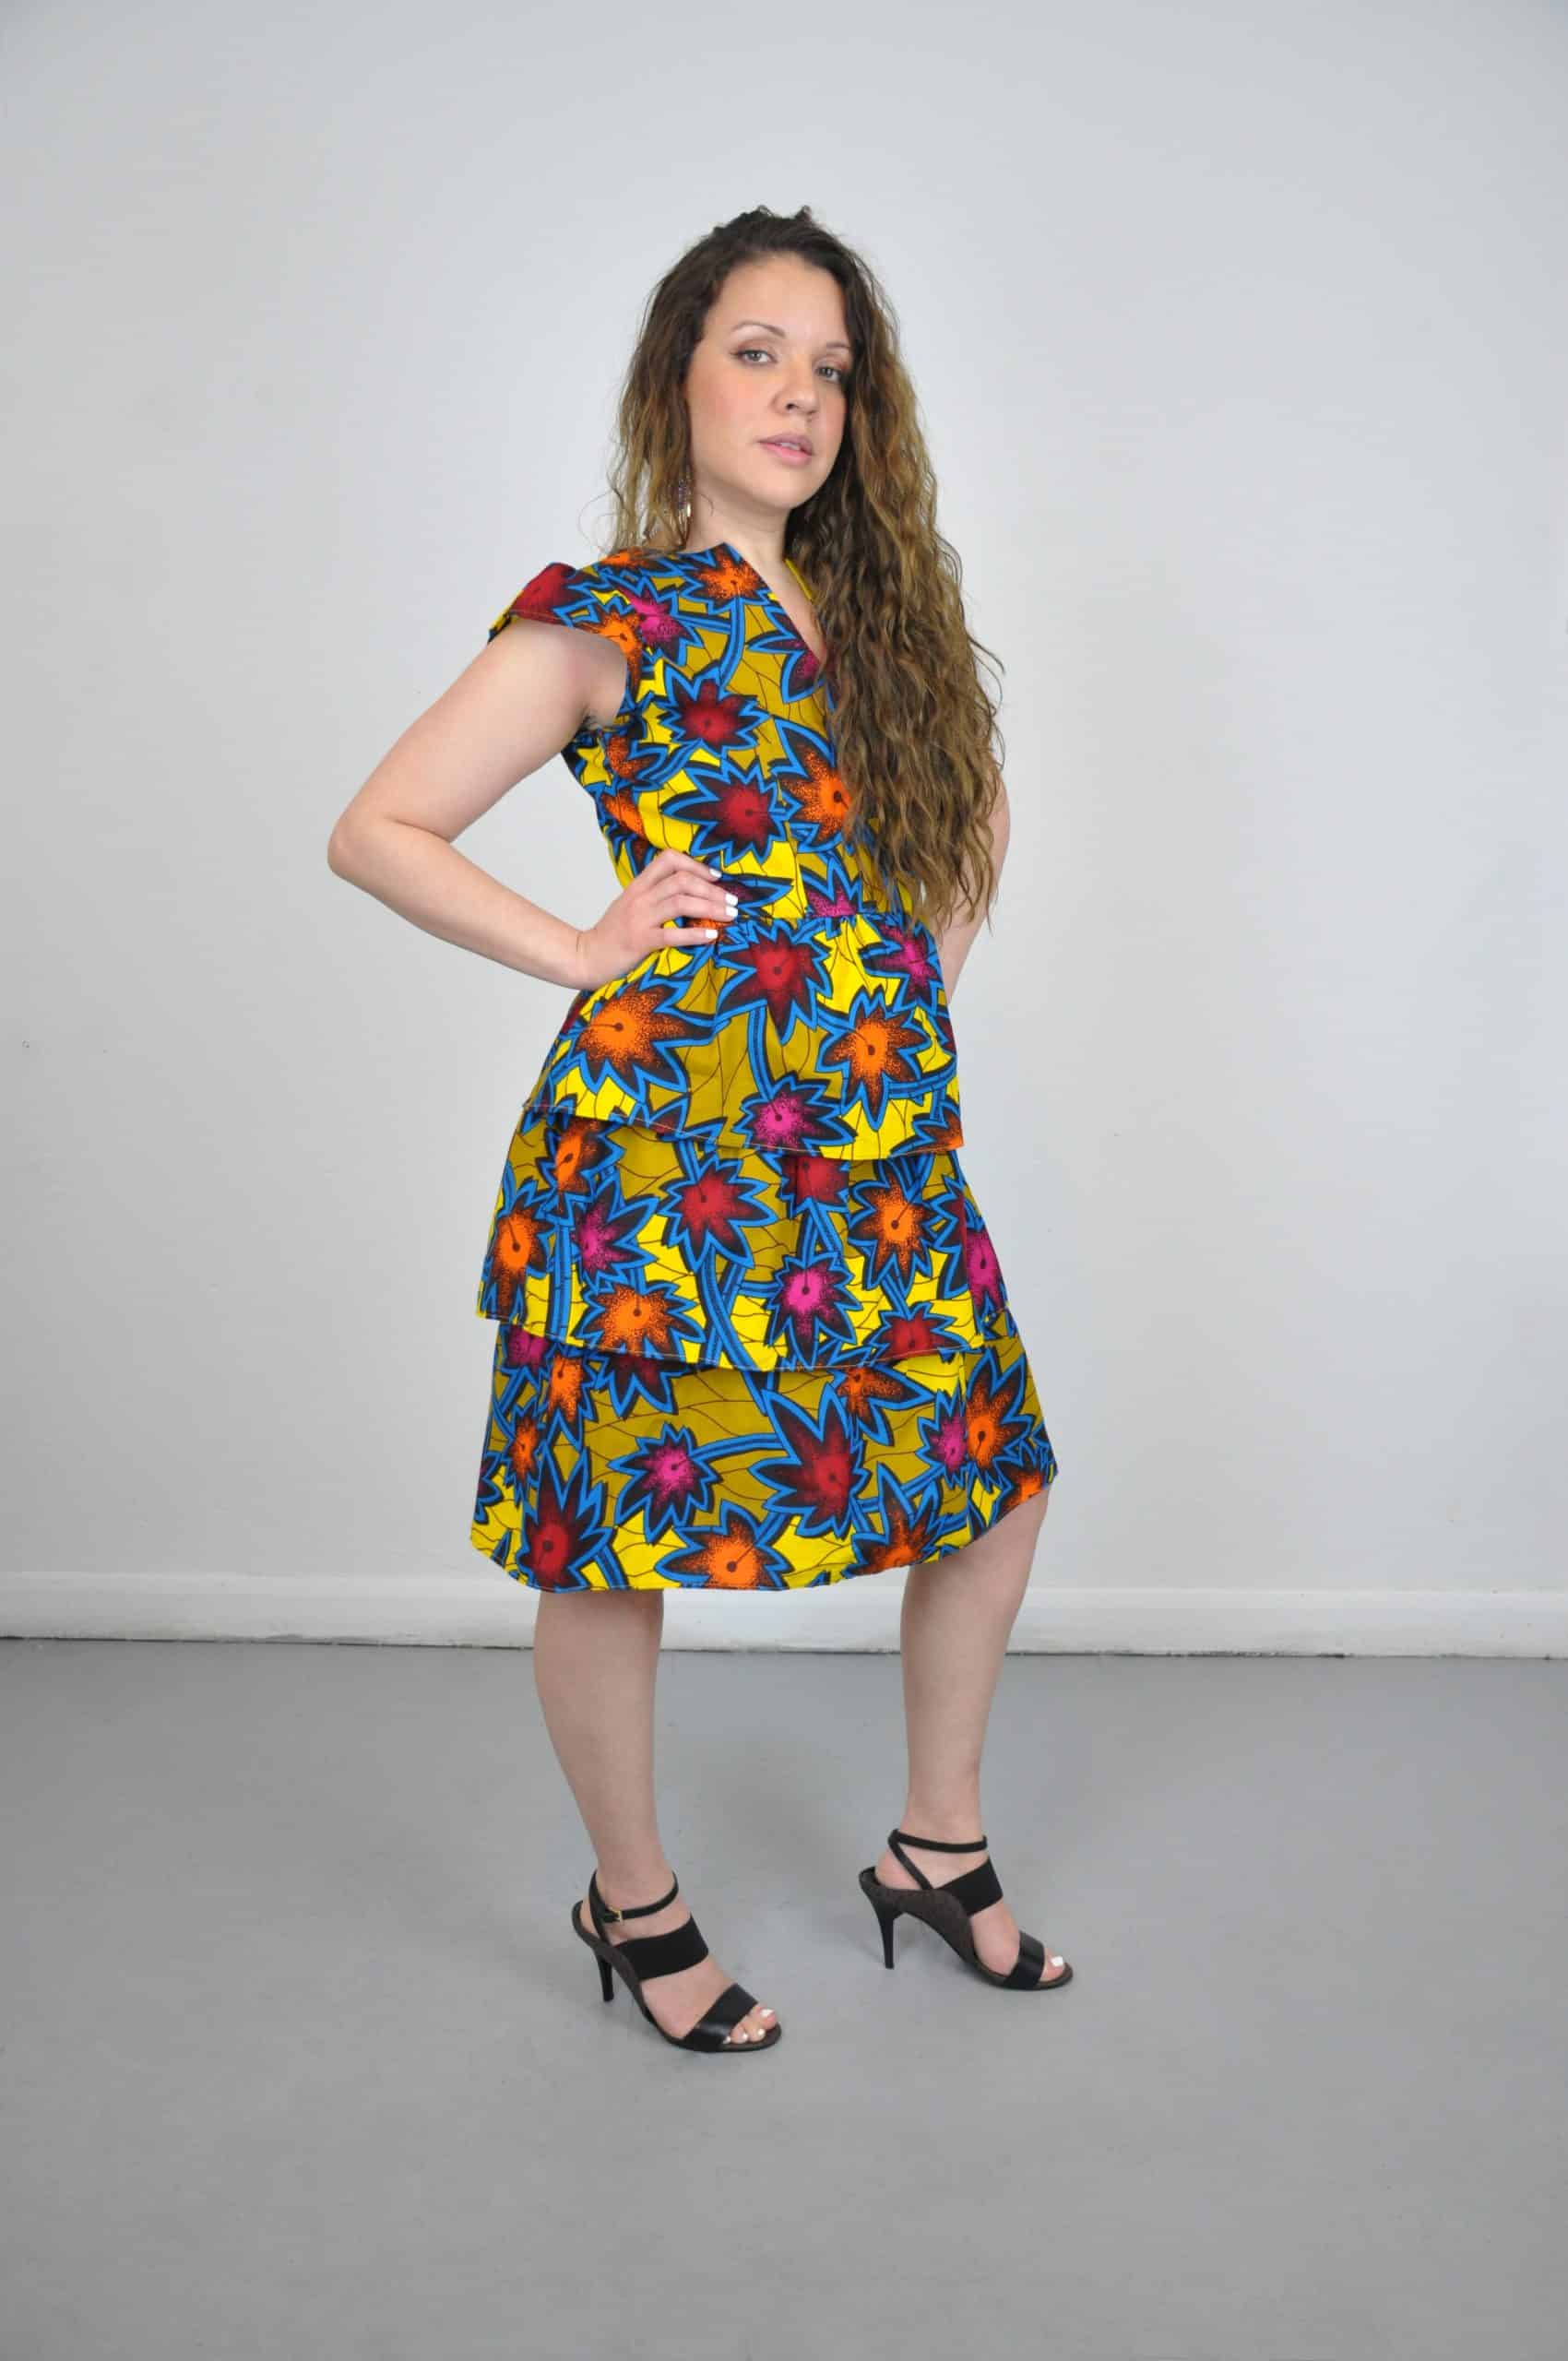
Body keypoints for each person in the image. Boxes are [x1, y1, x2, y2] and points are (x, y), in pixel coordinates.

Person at [327, 204, 1071, 2059]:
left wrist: (899, 997)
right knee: (609, 1539)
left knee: (994, 1475)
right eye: (757, 353)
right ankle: (635, 1897)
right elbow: (381, 827)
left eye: (832, 369)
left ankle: (938, 1844)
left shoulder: (886, 622)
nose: (798, 396)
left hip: (869, 1154)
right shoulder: (613, 614)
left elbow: (970, 824)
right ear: (680, 378)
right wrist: (583, 950)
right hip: (656, 1173)